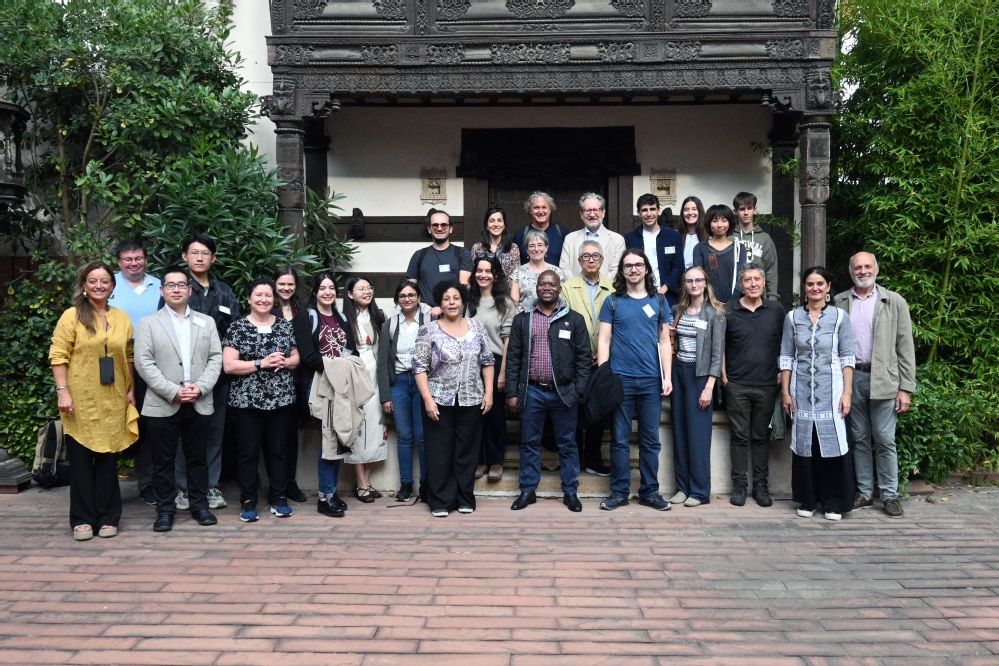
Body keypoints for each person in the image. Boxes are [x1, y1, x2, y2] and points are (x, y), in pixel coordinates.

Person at [50, 261, 139, 541]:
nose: (99, 285)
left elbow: (128, 356)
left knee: (108, 460)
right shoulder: (71, 316)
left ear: (112, 286)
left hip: (113, 398)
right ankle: (82, 519)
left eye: (104, 281)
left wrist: (131, 390)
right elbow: (58, 355)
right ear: (84, 285)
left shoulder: (122, 317)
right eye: (93, 281)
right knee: (80, 462)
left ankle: (108, 517)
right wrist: (63, 391)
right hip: (81, 398)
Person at [134, 266, 222, 532]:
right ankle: (165, 511)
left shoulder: (206, 322)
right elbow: (143, 362)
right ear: (162, 290)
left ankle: (200, 506)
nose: (176, 289)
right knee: (163, 461)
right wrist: (172, 390)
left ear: (189, 290)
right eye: (170, 285)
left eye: (181, 285)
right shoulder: (148, 323)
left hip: (198, 400)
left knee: (197, 459)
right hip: (163, 402)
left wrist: (201, 388)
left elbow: (215, 358)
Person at [834, 252, 916, 519]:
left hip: (884, 378)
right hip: (851, 378)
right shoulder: (839, 301)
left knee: (884, 439)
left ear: (877, 269)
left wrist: (905, 388)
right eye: (858, 267)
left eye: (868, 266)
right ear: (850, 272)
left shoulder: (894, 301)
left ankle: (890, 495)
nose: (863, 271)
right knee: (859, 438)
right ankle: (865, 493)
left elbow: (905, 346)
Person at [506, 271, 591, 512]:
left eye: (551, 284)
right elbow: (513, 358)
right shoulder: (523, 319)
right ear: (536, 287)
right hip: (532, 392)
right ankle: (527, 490)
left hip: (563, 393)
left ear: (559, 287)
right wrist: (512, 392)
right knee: (529, 443)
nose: (547, 288)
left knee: (567, 444)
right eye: (542, 284)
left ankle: (570, 492)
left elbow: (584, 358)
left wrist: (578, 390)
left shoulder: (574, 319)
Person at [597, 249, 674, 511]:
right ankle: (619, 492)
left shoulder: (659, 301)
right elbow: (604, 339)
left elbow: (664, 341)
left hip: (651, 380)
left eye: (638, 265)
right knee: (619, 439)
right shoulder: (613, 301)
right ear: (622, 271)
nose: (633, 269)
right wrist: (605, 375)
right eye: (628, 265)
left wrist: (667, 376)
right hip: (621, 379)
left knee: (650, 440)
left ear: (647, 269)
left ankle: (650, 492)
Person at [413, 279, 495, 517]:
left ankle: (464, 498)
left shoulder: (477, 327)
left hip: (472, 398)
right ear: (440, 303)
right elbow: (419, 367)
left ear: (463, 301)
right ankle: (440, 500)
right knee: (440, 452)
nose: (451, 303)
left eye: (456, 298)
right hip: (439, 399)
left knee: (466, 452)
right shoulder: (428, 330)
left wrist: (489, 392)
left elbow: (488, 361)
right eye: (446, 299)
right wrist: (428, 399)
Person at [222, 278, 300, 522]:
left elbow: (296, 357)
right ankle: (248, 500)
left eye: (268, 295)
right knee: (247, 452)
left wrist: (286, 361)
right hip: (247, 401)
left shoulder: (284, 326)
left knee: (278, 451)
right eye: (258, 295)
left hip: (281, 398)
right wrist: (260, 363)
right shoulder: (237, 327)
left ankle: (279, 498)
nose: (263, 300)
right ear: (249, 299)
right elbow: (229, 365)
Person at [780, 267, 856, 521]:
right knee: (806, 445)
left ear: (828, 287)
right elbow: (787, 357)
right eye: (810, 284)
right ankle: (808, 500)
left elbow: (847, 357)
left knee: (832, 444)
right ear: (804, 288)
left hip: (832, 390)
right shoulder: (792, 318)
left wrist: (847, 392)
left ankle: (833, 502)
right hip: (800, 390)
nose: (815, 288)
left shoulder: (840, 317)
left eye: (820, 283)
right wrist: (785, 393)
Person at [175, 234, 240, 512]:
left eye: (205, 253)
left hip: (219, 375)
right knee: (184, 432)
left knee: (214, 432)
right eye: (194, 252)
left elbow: (235, 330)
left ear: (213, 258)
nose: (199, 258)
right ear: (185, 256)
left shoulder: (223, 291)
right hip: (183, 375)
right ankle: (184, 488)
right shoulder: (176, 288)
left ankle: (211, 485)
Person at [294, 272, 358, 518]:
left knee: (339, 436)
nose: (328, 292)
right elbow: (309, 357)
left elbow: (352, 351)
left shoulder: (342, 317)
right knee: (329, 440)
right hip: (320, 385)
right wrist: (337, 367)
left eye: (331, 288)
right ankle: (324, 497)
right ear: (314, 292)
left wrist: (344, 368)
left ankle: (330, 492)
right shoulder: (306, 317)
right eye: (322, 288)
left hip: (341, 385)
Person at [723, 262, 786, 508]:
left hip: (767, 384)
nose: (753, 284)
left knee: (761, 437)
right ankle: (739, 484)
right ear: (741, 284)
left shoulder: (775, 309)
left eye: (757, 279)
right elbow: (721, 346)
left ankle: (761, 484)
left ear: (764, 282)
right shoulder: (728, 310)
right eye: (748, 280)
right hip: (737, 384)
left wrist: (782, 372)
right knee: (739, 437)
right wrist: (724, 377)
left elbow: (786, 343)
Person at [668, 266, 725, 508]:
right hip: (679, 373)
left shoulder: (715, 314)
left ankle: (700, 491)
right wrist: (671, 334)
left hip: (700, 377)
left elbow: (717, 354)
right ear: (684, 284)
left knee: (698, 435)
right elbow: (672, 343)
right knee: (679, 432)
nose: (694, 285)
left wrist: (709, 386)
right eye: (689, 281)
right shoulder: (677, 310)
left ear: (705, 283)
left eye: (698, 280)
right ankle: (682, 488)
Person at [110, 239, 161, 506]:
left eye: (138, 258)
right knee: (112, 423)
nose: (133, 263)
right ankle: (105, 487)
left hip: (151, 366)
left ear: (146, 260)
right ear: (119, 262)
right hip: (114, 366)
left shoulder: (160, 287)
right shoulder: (107, 285)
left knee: (148, 426)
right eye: (128, 259)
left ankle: (148, 484)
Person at [562, 239, 614, 476]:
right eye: (586, 256)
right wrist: (584, 354)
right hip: (575, 360)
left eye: (595, 256)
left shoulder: (613, 288)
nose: (591, 260)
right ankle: (574, 461)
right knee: (573, 411)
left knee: (597, 412)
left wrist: (602, 354)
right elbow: (563, 324)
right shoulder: (567, 288)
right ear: (579, 261)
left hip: (604, 360)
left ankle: (593, 459)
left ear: (602, 260)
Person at [378, 279, 431, 502]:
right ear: (397, 300)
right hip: (398, 383)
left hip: (423, 384)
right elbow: (382, 363)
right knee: (405, 436)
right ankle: (406, 484)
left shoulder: (429, 321)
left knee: (423, 436)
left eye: (411, 295)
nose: (407, 299)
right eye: (402, 296)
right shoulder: (390, 325)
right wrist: (385, 396)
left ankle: (427, 484)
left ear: (419, 298)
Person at [341, 276, 389, 501]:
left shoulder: (379, 316)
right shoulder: (343, 319)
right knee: (357, 429)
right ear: (350, 294)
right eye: (361, 289)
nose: (367, 291)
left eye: (369, 287)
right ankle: (360, 483)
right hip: (354, 378)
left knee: (375, 428)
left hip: (376, 377)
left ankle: (367, 481)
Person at [467, 257, 514, 482]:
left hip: (495, 363)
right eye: (479, 270)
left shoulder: (505, 303)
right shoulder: (467, 301)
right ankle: (479, 460)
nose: (483, 275)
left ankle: (496, 461)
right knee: (474, 415)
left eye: (488, 271)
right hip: (470, 364)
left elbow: (508, 340)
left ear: (496, 275)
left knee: (494, 414)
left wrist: (503, 372)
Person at [271, 266, 310, 504]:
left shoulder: (302, 310)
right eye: (282, 284)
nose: (286, 288)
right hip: (270, 379)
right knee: (274, 435)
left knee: (291, 434)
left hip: (297, 379)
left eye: (290, 284)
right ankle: (276, 485)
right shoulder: (266, 307)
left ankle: (290, 482)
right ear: (274, 284)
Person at [405, 209, 473, 315]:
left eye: (444, 225)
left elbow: (464, 286)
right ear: (429, 229)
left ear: (450, 229)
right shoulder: (419, 255)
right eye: (435, 225)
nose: (439, 228)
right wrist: (427, 310)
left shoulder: (462, 253)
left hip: (454, 313)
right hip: (426, 314)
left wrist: (449, 307)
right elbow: (410, 290)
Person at [623, 193, 684, 305]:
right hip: (638, 296)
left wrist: (663, 290)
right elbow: (626, 267)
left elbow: (678, 267)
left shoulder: (673, 236)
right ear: (639, 213)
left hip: (668, 296)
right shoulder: (630, 238)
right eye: (644, 210)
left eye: (652, 209)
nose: (649, 214)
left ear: (658, 210)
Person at [559, 193, 625, 280]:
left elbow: (616, 269)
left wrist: (602, 286)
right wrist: (575, 286)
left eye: (596, 210)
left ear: (603, 212)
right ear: (581, 214)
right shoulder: (570, 239)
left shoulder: (617, 240)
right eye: (588, 210)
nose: (592, 214)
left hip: (607, 287)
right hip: (575, 288)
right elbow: (564, 267)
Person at [693, 204, 745, 303]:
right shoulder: (700, 248)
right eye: (715, 221)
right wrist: (711, 302)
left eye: (724, 220)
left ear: (730, 223)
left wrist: (731, 303)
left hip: (735, 304)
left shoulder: (739, 248)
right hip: (707, 303)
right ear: (709, 223)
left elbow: (742, 277)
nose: (719, 225)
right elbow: (698, 278)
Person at [731, 192, 779, 301]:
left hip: (759, 297)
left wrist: (772, 298)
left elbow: (771, 270)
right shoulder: (729, 237)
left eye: (749, 208)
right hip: (734, 297)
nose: (746, 213)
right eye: (742, 209)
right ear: (735, 212)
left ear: (754, 209)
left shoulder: (765, 239)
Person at [510, 229, 567, 312]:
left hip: (552, 316)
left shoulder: (556, 271)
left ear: (546, 247)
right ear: (527, 250)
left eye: (540, 245)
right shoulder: (518, 272)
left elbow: (562, 300)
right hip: (524, 316)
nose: (536, 249)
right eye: (532, 246)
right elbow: (514, 304)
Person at [513, 191, 569, 266]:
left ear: (550, 210)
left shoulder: (562, 232)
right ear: (530, 210)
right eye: (536, 208)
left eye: (544, 207)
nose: (540, 211)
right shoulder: (521, 234)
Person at [469, 207, 520, 288]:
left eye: (499, 220)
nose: (496, 224)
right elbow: (473, 274)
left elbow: (515, 277)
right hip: (482, 291)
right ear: (486, 226)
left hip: (505, 292)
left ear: (504, 225)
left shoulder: (513, 248)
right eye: (491, 221)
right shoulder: (477, 248)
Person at [676, 196, 708, 269]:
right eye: (686, 210)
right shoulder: (675, 235)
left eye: (694, 209)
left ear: (700, 212)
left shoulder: (709, 236)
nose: (690, 213)